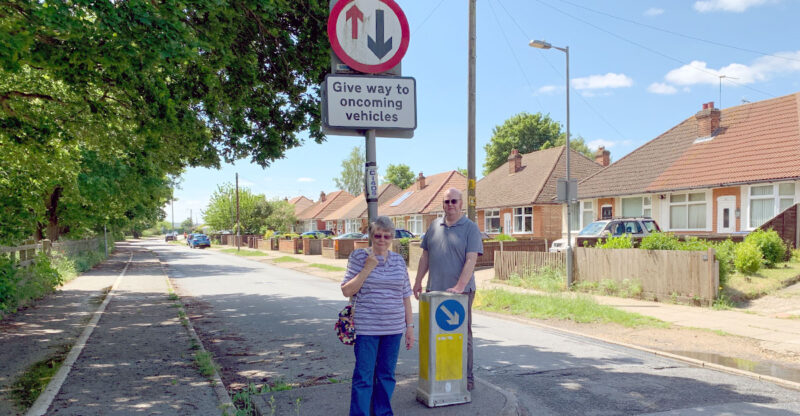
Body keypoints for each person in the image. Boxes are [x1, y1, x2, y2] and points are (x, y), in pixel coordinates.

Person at [341, 216, 414, 416]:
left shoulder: (398, 261)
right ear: (371, 236)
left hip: (393, 329)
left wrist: (410, 327)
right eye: (378, 235)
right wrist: (367, 268)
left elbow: (406, 295)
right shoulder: (359, 257)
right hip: (367, 328)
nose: (382, 240)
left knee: (386, 376)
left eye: (387, 236)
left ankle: (382, 413)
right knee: (364, 377)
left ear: (392, 238)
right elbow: (347, 291)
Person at [413, 188, 483, 391]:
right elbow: (425, 257)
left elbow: (471, 259)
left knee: (462, 336)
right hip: (435, 292)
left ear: (461, 203)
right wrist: (418, 282)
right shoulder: (434, 226)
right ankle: (439, 379)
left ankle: (466, 379)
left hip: (461, 294)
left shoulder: (470, 228)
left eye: (454, 201)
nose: (450, 205)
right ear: (442, 204)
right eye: (446, 202)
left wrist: (460, 287)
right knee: (435, 336)